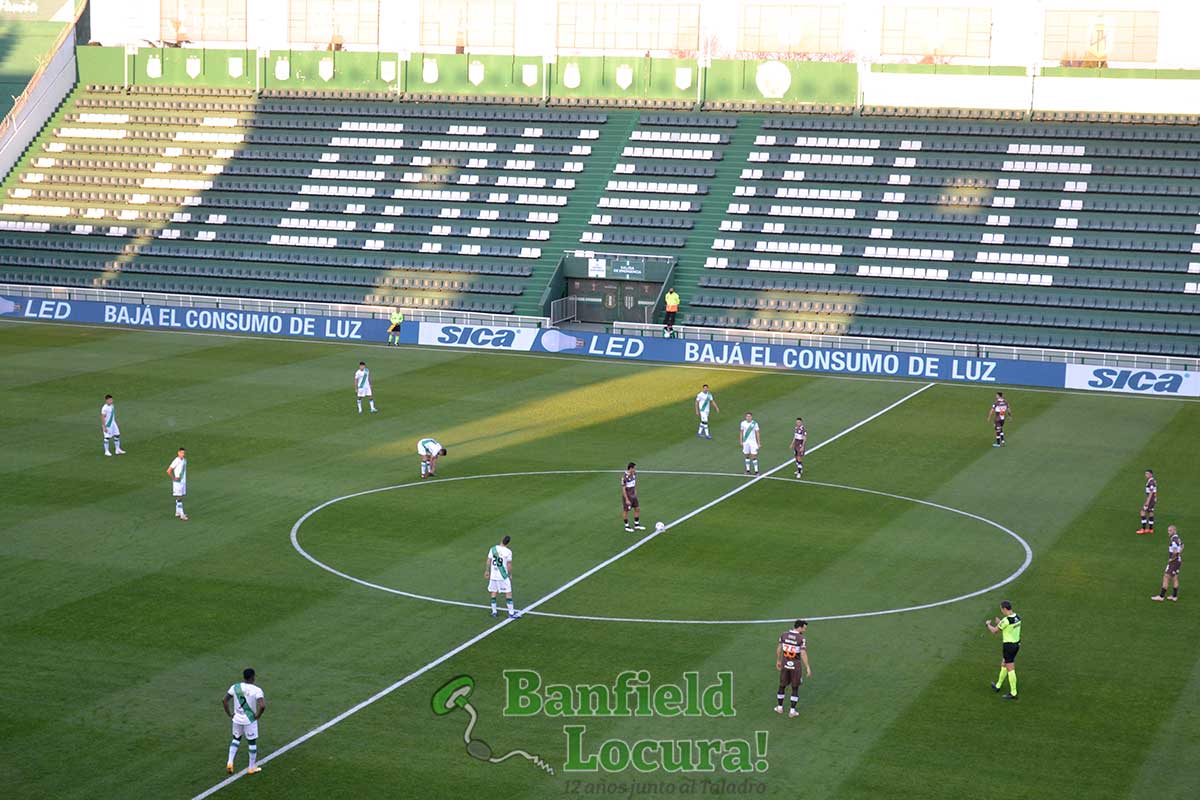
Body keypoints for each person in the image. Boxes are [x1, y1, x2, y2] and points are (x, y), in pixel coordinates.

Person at [223, 668, 266, 775]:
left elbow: (224, 701)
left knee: (236, 739)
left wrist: (229, 714)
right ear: (253, 677)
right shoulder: (257, 690)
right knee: (251, 742)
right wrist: (258, 716)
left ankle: (230, 762)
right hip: (249, 720)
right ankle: (251, 767)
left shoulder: (235, 687)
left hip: (237, 718)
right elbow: (262, 706)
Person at [774, 620, 811, 718]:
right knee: (795, 687)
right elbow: (803, 653)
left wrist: (778, 661)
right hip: (796, 666)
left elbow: (779, 648)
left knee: (782, 686)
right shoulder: (801, 638)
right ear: (799, 627)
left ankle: (779, 707)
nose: (805, 630)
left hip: (785, 664)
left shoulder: (784, 635)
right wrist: (807, 667)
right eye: (804, 628)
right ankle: (792, 711)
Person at [985, 600, 1021, 700]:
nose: (1001, 611)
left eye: (1001, 609)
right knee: (1004, 663)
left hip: (1009, 646)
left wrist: (988, 625)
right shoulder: (1017, 617)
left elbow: (995, 631)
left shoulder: (1006, 620)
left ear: (1005, 609)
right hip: (1016, 644)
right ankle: (998, 686)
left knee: (1010, 668)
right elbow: (1009, 627)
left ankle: (1013, 692)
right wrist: (1000, 622)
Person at [486, 535, 516, 618]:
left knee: (493, 592)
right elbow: (509, 564)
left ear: (502, 539)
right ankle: (511, 613)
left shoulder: (493, 549)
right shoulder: (508, 552)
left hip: (493, 575)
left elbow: (489, 560)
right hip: (503, 576)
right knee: (508, 593)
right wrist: (510, 574)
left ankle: (494, 611)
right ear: (508, 543)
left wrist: (487, 571)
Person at [1151, 525, 1183, 602]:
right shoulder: (1177, 538)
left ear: (1174, 530)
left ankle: (1161, 597)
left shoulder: (1173, 540)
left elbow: (1175, 552)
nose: (1168, 532)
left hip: (1174, 562)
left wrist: (1172, 559)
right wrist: (1179, 553)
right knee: (1174, 577)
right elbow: (1182, 545)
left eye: (1170, 530)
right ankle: (1174, 596)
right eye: (1168, 530)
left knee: (1166, 577)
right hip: (1178, 561)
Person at [621, 462, 645, 533]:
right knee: (626, 511)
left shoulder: (634, 474)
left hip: (633, 496)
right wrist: (627, 499)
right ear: (630, 468)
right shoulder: (624, 477)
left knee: (637, 509)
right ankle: (627, 526)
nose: (635, 469)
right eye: (634, 468)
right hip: (628, 497)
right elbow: (623, 489)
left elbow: (634, 484)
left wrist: (635, 493)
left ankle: (636, 525)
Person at [166, 447, 188, 521]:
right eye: (181, 453)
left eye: (184, 453)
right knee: (179, 497)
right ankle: (182, 514)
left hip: (182, 482)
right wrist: (174, 478)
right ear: (178, 453)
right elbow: (168, 471)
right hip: (177, 483)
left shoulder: (184, 460)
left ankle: (177, 512)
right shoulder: (176, 460)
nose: (183, 454)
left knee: (180, 496)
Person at [1138, 469, 1157, 535]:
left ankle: (1143, 529)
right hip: (1153, 499)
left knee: (1142, 512)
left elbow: (1151, 492)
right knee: (1150, 512)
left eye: (1147, 473)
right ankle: (1150, 529)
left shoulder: (1151, 482)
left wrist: (1147, 502)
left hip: (1150, 500)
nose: (1146, 475)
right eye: (1145, 473)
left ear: (1151, 474)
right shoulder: (1152, 481)